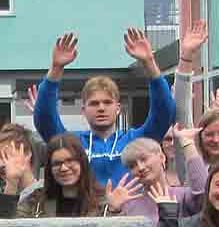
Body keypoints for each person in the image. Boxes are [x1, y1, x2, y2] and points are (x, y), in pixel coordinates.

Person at [35, 29, 176, 187]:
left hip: (130, 211)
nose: (101, 108)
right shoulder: (72, 143)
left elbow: (164, 112)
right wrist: (56, 68)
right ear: (83, 111)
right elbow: (44, 119)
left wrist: (149, 62)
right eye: (94, 103)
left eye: (107, 103)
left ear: (118, 108)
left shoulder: (137, 141)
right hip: (85, 210)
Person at [19, 133, 105, 217]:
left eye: (70, 160)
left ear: (82, 162)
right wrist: (12, 183)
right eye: (57, 163)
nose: (63, 168)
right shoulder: (35, 201)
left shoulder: (102, 201)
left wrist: (114, 211)